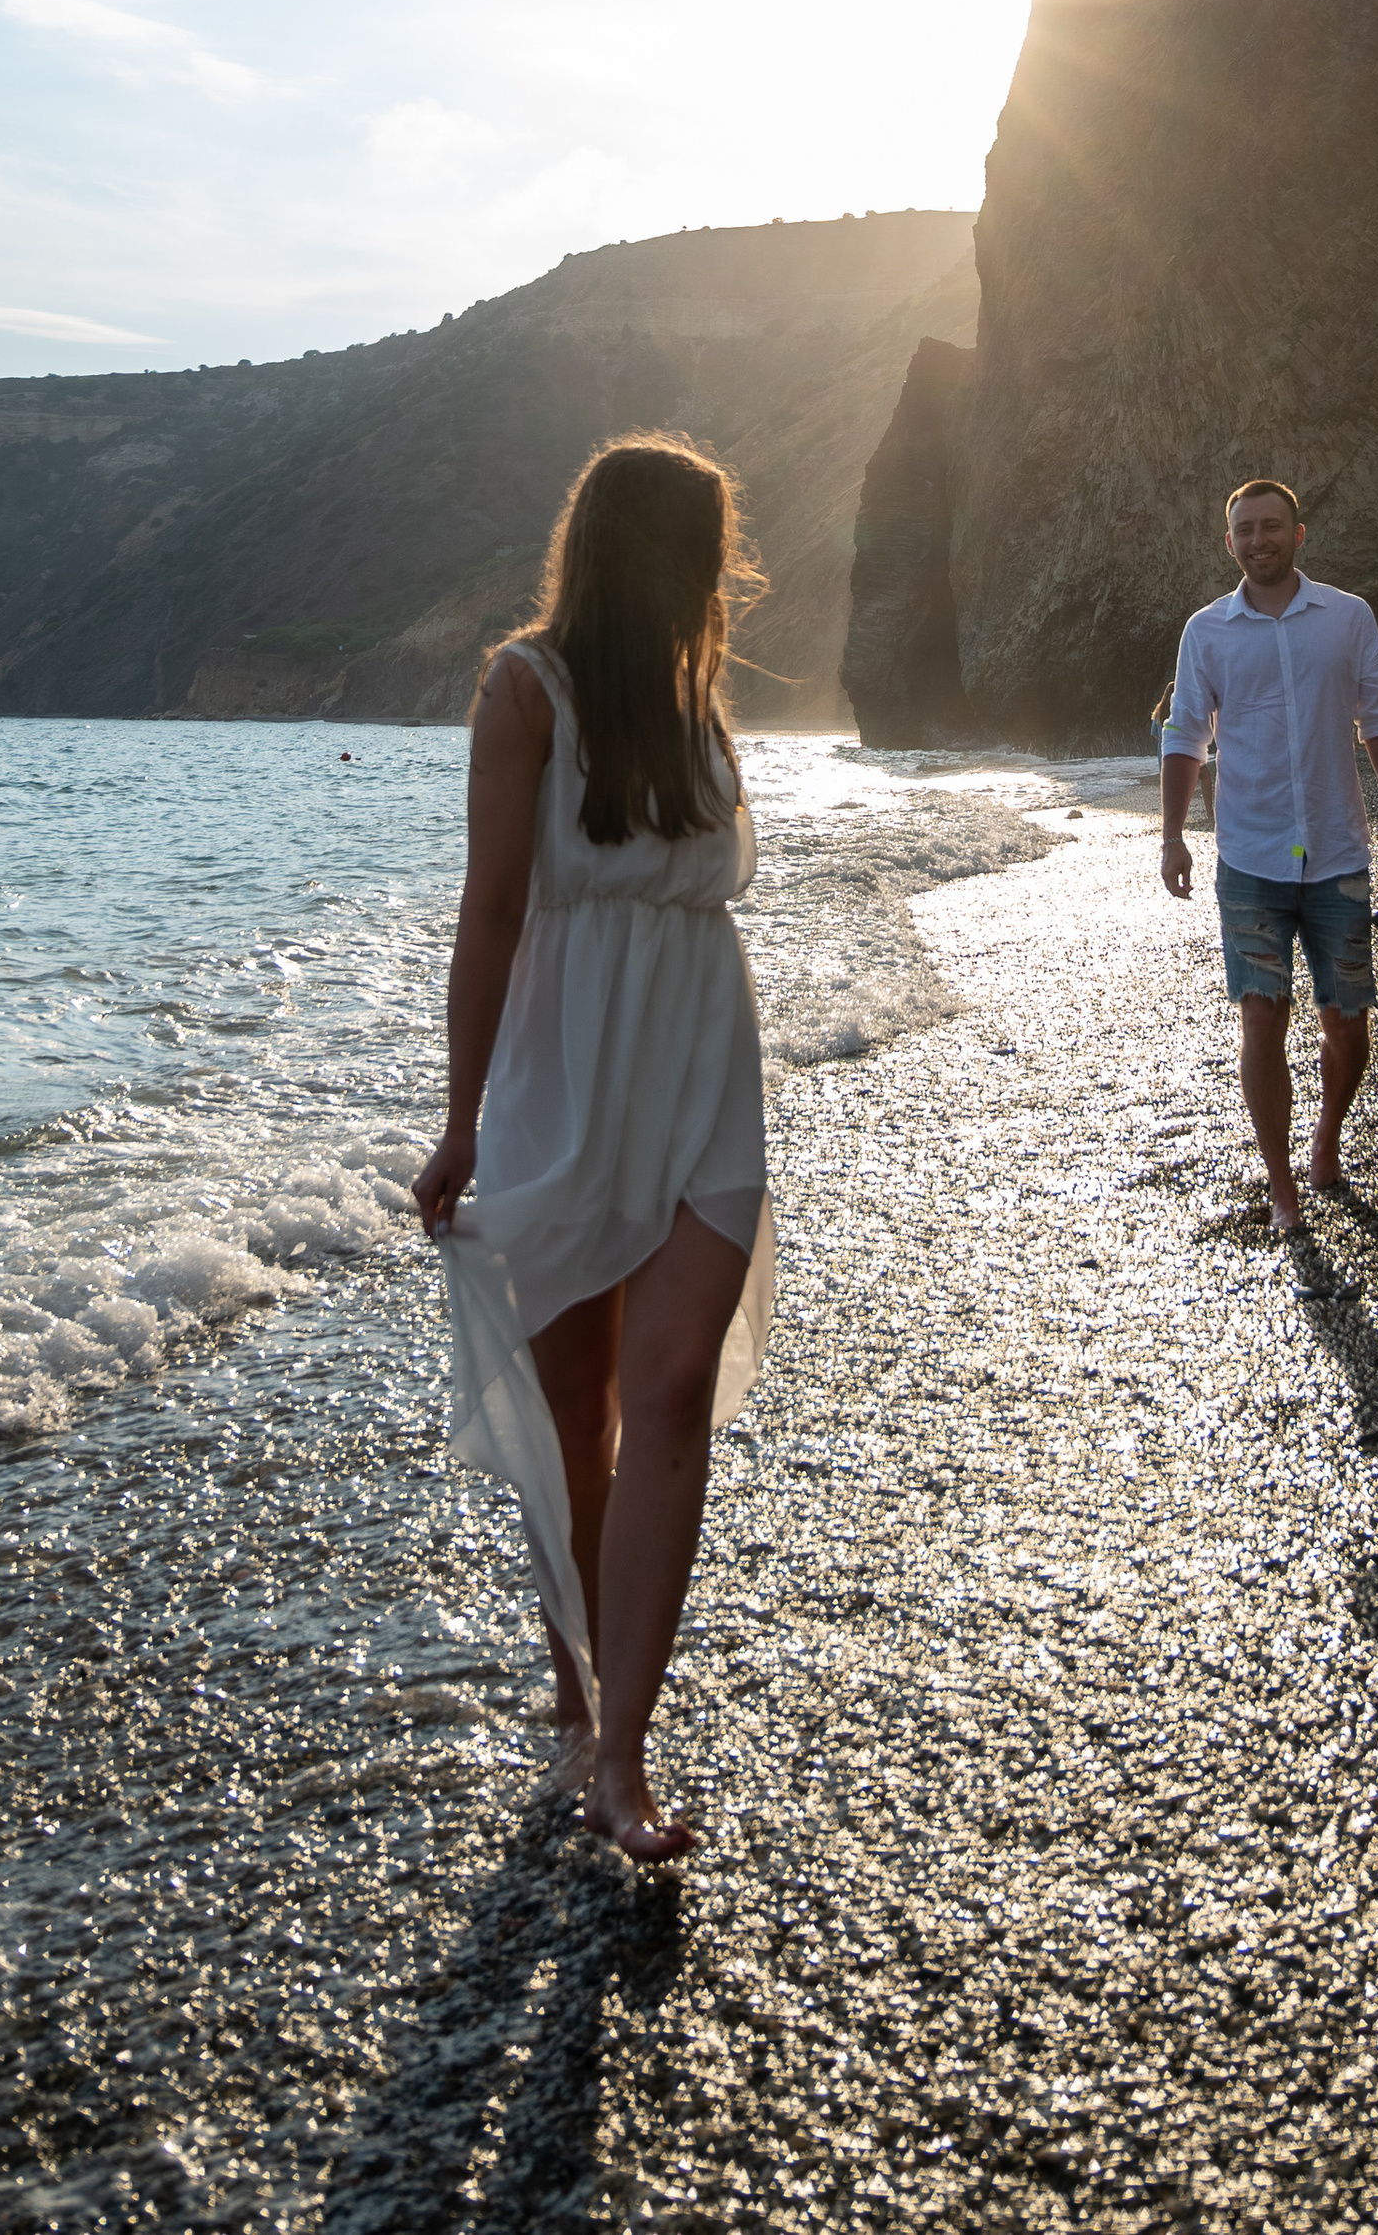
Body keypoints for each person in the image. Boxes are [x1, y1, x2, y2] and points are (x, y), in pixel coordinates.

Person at [412, 435, 774, 1861]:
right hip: (564, 1076)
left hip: (700, 1067)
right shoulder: (524, 690)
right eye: (700, 552)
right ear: (642, 551)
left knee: (671, 1383)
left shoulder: (700, 705)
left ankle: (622, 1753)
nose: (718, 580)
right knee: (580, 1421)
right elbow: (490, 912)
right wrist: (458, 1119)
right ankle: (578, 1684)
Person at [1157, 479, 1378, 1223]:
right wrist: (1173, 836)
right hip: (1249, 860)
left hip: (1339, 855)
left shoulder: (1346, 618)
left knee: (1348, 1022)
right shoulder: (1206, 631)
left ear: (1298, 534)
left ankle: (1327, 1137)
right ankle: (1281, 1183)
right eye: (1244, 530)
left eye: (1271, 526)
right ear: (1230, 543)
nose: (1258, 540)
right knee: (1262, 1019)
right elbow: (1185, 735)